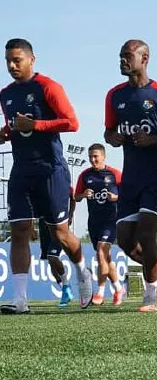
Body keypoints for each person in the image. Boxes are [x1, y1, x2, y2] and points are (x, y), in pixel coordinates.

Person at [0, 38, 91, 314]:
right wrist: (5, 133)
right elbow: (14, 128)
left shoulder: (48, 87)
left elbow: (72, 122)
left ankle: (82, 272)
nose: (12, 65)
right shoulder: (5, 94)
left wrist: (36, 125)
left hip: (51, 170)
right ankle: (20, 300)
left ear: (31, 60)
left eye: (17, 60)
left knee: (60, 233)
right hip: (22, 170)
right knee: (19, 231)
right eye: (8, 61)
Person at [104, 39, 157, 313]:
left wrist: (152, 140)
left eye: (128, 56)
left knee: (146, 232)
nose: (122, 60)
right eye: (121, 56)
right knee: (125, 240)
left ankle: (150, 296)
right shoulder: (114, 95)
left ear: (145, 58)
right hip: (130, 177)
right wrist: (114, 138)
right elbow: (107, 132)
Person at [74, 144, 125, 306]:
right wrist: (83, 194)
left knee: (102, 253)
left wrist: (117, 197)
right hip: (93, 222)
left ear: (103, 156)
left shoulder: (115, 174)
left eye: (96, 156)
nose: (93, 160)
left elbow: (129, 194)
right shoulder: (85, 175)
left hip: (110, 220)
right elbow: (75, 197)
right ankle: (118, 288)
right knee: (105, 258)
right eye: (90, 157)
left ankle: (101, 292)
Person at [37, 187, 78, 307]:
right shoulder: (38, 183)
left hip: (59, 225)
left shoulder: (60, 181)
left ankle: (66, 287)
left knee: (52, 256)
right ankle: (64, 289)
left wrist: (70, 215)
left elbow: (73, 197)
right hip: (43, 225)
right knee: (50, 261)